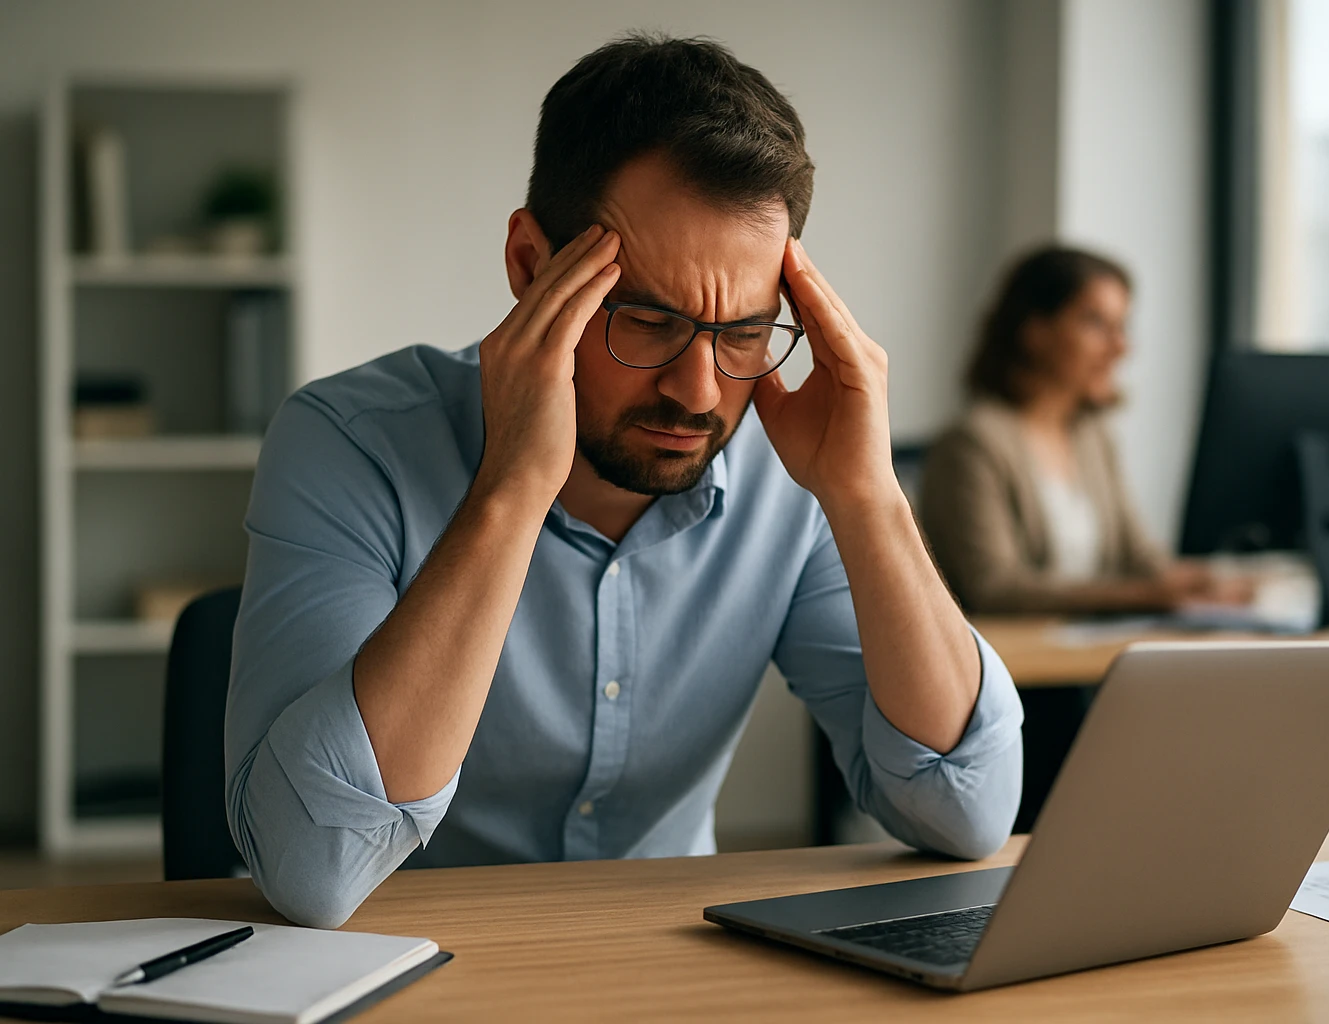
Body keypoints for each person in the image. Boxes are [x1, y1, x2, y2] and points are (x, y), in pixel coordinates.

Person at [224, 34, 1023, 929]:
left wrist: (868, 500)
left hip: (668, 968)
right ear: (531, 266)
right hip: (411, 969)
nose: (698, 391)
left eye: (745, 333)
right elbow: (312, 868)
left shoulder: (788, 473)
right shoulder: (350, 441)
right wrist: (512, 491)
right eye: (646, 320)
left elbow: (969, 814)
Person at [921, 246, 1250, 615]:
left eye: (1122, 326)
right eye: (1096, 323)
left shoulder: (1092, 438)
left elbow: (1139, 557)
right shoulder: (972, 444)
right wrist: (1148, 596)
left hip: (1087, 655)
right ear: (1035, 331)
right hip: (1014, 662)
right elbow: (995, 587)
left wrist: (1214, 579)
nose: (1120, 347)